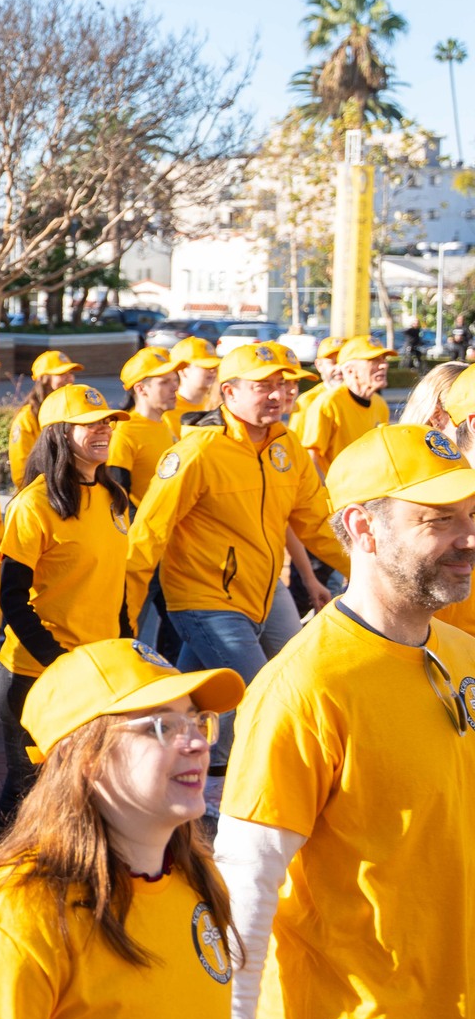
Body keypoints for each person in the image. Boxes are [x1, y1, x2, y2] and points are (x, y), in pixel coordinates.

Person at [214, 425, 475, 1019]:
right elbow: (247, 886)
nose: (468, 538)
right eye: (437, 519)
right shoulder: (302, 688)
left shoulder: (463, 654)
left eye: (472, 513)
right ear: (362, 528)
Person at [0, 640, 244, 1019]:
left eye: (195, 721)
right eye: (163, 726)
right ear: (85, 759)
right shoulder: (20, 917)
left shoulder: (199, 878)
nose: (198, 743)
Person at [124, 343, 348, 807]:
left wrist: (374, 567)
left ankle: (149, 785)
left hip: (265, 597)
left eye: (284, 385)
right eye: (263, 385)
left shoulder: (285, 446)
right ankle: (268, 805)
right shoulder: (198, 451)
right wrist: (120, 613)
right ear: (228, 392)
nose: (278, 395)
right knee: (270, 698)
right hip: (203, 600)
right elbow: (147, 534)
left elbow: (317, 526)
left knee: (187, 700)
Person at [0, 384, 135, 833]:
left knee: (87, 792)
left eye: (107, 422)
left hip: (98, 672)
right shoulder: (34, 505)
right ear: (59, 434)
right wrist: (61, 663)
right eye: (90, 423)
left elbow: (117, 586)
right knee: (30, 789)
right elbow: (11, 599)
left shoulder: (116, 499)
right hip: (35, 675)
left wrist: (127, 647)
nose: (104, 430)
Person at [293, 337, 392, 475]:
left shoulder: (380, 404)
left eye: (383, 359)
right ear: (350, 370)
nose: (384, 365)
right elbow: (310, 458)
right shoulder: (327, 403)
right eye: (374, 360)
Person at [106, 346, 183, 506]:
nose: (175, 387)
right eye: (164, 382)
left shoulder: (164, 423)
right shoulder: (124, 431)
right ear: (141, 389)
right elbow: (117, 497)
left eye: (175, 379)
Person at [7, 350, 83, 483]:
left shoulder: (75, 411)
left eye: (70, 373)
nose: (69, 379)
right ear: (44, 379)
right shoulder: (27, 417)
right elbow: (20, 469)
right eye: (61, 374)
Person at [169, 337, 220, 419]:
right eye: (205, 366)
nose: (212, 370)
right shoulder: (167, 409)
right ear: (183, 371)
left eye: (215, 366)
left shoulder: (217, 405)